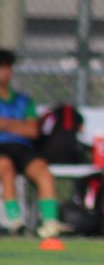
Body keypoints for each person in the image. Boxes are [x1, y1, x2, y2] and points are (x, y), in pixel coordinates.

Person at [0, 49, 65, 238]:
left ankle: (50, 223)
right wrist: (19, 125)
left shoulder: (23, 100)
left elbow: (33, 130)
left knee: (42, 170)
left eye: (7, 68)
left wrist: (5, 124)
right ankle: (15, 219)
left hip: (22, 148)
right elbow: (25, 126)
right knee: (5, 167)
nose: (5, 72)